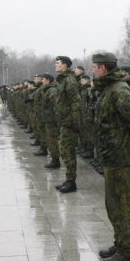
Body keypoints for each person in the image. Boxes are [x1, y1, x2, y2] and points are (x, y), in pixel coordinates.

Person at [91, 52, 130, 261]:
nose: (93, 70)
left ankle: (127, 250)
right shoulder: (108, 88)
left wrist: (127, 142)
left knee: (120, 203)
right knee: (112, 203)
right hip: (112, 155)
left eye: (95, 67)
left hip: (121, 155)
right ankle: (121, 241)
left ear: (104, 68)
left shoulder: (119, 90)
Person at [54, 56, 81, 192]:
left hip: (69, 123)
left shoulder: (69, 80)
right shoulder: (63, 80)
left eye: (58, 63)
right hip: (64, 121)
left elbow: (75, 102)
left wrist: (74, 123)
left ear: (65, 66)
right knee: (65, 151)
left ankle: (71, 182)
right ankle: (69, 178)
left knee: (68, 152)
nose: (55, 65)